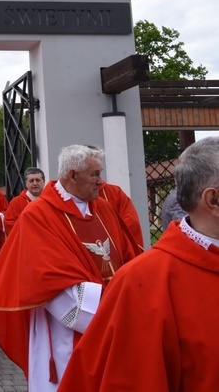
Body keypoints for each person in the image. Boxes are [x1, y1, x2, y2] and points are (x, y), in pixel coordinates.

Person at [0, 145, 140, 392]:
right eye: (94, 174)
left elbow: (128, 256)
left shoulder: (104, 209)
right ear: (72, 175)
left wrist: (134, 299)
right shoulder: (39, 215)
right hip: (68, 323)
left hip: (115, 312)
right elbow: (46, 280)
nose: (100, 181)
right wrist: (113, 315)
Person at [59, 136, 219, 392]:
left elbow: (128, 234)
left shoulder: (108, 205)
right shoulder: (143, 284)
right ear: (212, 200)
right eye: (95, 173)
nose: (100, 180)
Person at [99, 180, 144, 249]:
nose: (98, 180)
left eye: (98, 174)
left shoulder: (114, 193)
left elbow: (131, 222)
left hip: (118, 251)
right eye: (93, 175)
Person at [3, 167, 46, 236]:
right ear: (26, 183)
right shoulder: (16, 202)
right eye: (31, 181)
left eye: (38, 180)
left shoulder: (49, 201)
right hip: (26, 241)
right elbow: (9, 224)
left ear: (43, 182)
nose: (35, 183)